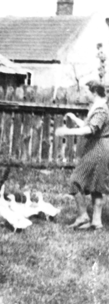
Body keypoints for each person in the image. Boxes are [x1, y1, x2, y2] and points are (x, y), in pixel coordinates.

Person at [56, 80, 109, 230]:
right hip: (97, 147)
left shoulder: (101, 110)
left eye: (86, 92)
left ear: (94, 92)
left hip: (98, 149)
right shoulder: (98, 107)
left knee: (75, 181)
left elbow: (90, 130)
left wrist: (67, 131)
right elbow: (88, 126)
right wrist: (74, 118)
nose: (85, 94)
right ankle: (96, 222)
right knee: (95, 185)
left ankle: (83, 216)